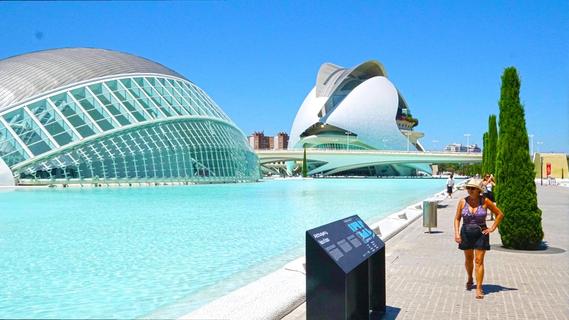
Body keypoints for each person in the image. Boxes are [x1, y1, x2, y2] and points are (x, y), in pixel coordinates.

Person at [454, 178, 504, 299]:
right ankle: (470, 277)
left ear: (478, 190)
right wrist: (456, 233)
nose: (470, 190)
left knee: (479, 261)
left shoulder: (485, 201)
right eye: (468, 188)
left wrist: (492, 228)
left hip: (481, 233)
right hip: (466, 232)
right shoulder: (462, 202)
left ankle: (479, 288)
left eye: (472, 188)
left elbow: (500, 214)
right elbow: (457, 218)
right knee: (468, 259)